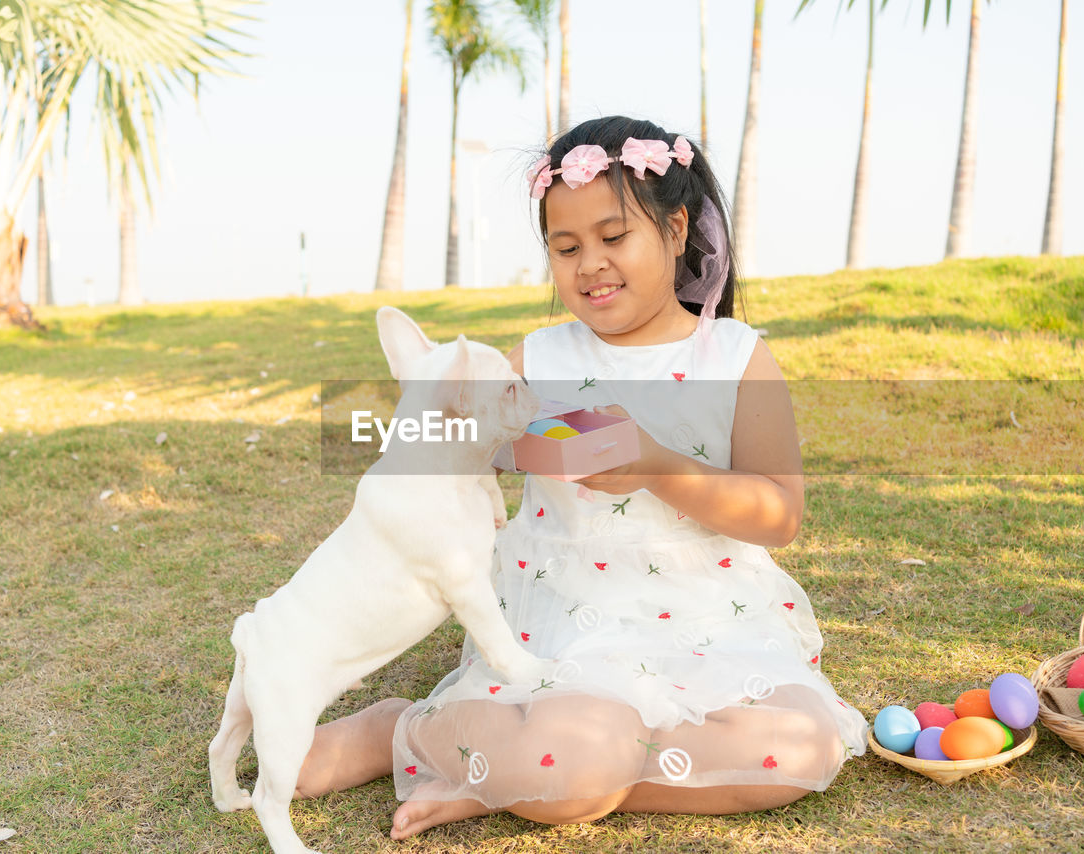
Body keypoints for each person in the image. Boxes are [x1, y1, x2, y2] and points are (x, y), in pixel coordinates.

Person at [290, 115, 868, 840]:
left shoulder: (736, 357)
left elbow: (778, 513)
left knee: (799, 752)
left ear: (677, 227)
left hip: (715, 619)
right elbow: (453, 446)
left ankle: (516, 773)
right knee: (573, 752)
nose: (589, 262)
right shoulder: (540, 361)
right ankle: (403, 733)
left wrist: (661, 466)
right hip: (571, 618)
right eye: (566, 247)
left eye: (612, 237)